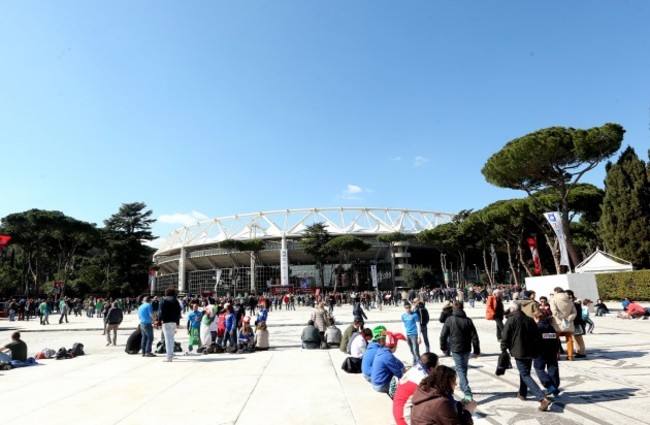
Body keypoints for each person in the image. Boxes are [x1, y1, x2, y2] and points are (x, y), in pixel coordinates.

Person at [501, 301, 552, 412]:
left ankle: (541, 398)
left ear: (512, 309)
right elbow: (537, 335)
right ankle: (522, 393)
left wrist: (503, 348)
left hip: (519, 351)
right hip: (530, 351)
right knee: (524, 372)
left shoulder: (511, 320)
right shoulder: (529, 319)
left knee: (525, 374)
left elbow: (505, 336)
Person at [440, 301, 480, 401]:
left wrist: (443, 347)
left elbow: (443, 335)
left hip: (456, 348)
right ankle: (463, 386)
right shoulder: (468, 320)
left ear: (453, 309)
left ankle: (467, 392)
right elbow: (474, 336)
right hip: (466, 348)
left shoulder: (450, 319)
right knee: (463, 368)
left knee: (460, 369)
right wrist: (476, 350)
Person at [410, 365, 477, 425]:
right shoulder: (440, 402)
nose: (456, 384)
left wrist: (459, 405)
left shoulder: (424, 392)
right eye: (453, 381)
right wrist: (468, 411)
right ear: (446, 382)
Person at [392, 352, 439, 425]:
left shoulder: (415, 369)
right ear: (431, 368)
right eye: (437, 365)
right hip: (405, 419)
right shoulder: (423, 379)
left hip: (398, 412)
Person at [533, 312, 561, 397]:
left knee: (539, 368)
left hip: (540, 352)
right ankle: (555, 387)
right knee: (552, 368)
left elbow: (534, 340)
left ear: (536, 318)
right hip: (552, 351)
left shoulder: (537, 327)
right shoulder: (550, 326)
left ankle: (549, 385)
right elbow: (555, 339)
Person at [549, 287, 577, 361]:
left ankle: (557, 355)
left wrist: (561, 317)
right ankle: (570, 356)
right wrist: (568, 318)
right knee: (569, 339)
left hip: (558, 322)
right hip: (568, 322)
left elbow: (554, 311)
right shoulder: (569, 300)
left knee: (556, 339)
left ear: (555, 292)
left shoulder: (553, 299)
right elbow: (574, 312)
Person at [158, 288, 182, 362]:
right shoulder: (176, 301)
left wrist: (159, 322)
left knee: (167, 339)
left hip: (166, 321)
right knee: (171, 338)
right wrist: (178, 323)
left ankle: (169, 357)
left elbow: (160, 312)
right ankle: (171, 353)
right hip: (174, 321)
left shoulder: (163, 300)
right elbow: (178, 312)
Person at [565, 290, 587, 359]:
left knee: (578, 338)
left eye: (567, 295)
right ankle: (579, 351)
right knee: (575, 338)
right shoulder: (573, 301)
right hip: (575, 322)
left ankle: (582, 352)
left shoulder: (576, 302)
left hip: (577, 323)